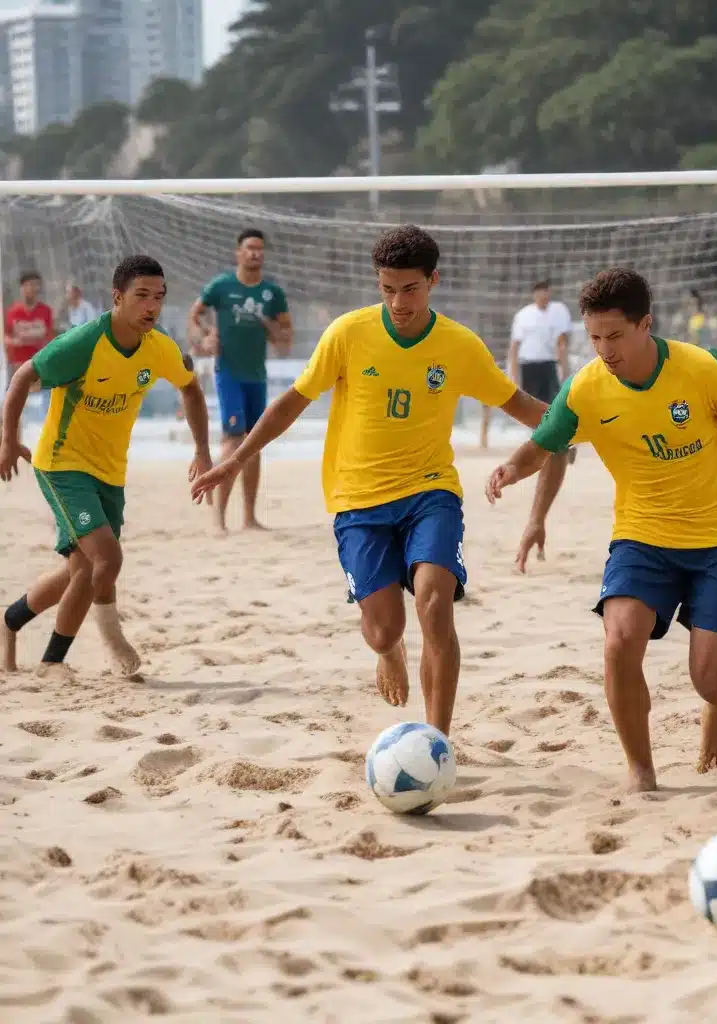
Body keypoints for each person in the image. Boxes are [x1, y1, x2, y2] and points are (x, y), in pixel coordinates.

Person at [190, 225, 548, 738]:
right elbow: (293, 400)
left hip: (430, 491)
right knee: (384, 631)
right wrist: (236, 459)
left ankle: (437, 740)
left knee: (434, 602)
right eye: (387, 289)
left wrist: (584, 424)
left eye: (410, 289)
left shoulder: (457, 344)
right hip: (357, 497)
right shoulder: (348, 334)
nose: (398, 302)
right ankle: (390, 653)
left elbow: (520, 405)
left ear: (433, 281)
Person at [485, 268, 717, 791]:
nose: (604, 349)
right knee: (618, 641)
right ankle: (641, 772)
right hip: (642, 536)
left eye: (615, 335)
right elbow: (546, 441)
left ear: (645, 324)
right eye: (595, 337)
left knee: (710, 678)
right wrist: (512, 473)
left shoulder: (702, 368)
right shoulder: (587, 387)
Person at [0, 255, 211, 677]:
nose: (152, 306)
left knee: (80, 568)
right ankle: (55, 661)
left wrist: (202, 450)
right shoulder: (84, 343)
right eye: (142, 296)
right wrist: (8, 439)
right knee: (106, 560)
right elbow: (23, 375)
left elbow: (191, 389)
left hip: (109, 471)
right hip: (61, 464)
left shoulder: (159, 348)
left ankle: (10, 621)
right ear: (117, 298)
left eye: (159, 297)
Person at [190, 228, 293, 532]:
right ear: (238, 252)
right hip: (229, 373)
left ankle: (249, 518)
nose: (255, 253)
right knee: (234, 441)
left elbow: (286, 340)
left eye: (260, 249)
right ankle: (219, 518)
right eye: (249, 248)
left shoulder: (272, 294)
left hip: (257, 377)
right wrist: (206, 335)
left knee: (255, 442)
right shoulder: (222, 286)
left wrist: (271, 328)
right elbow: (194, 316)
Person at [501, 280, 576, 568]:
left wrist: (564, 368)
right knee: (541, 421)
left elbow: (561, 344)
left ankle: (560, 445)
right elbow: (515, 346)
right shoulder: (523, 315)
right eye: (538, 291)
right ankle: (554, 447)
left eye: (546, 290)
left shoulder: (558, 311)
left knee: (554, 417)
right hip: (529, 366)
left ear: (550, 293)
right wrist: (513, 373)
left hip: (547, 366)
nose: (543, 295)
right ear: (534, 294)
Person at [4, 271, 55, 393]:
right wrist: (15, 342)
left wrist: (35, 338)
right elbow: (6, 337)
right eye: (29, 285)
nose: (33, 289)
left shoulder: (45, 311)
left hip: (38, 366)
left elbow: (49, 337)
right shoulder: (13, 312)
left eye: (36, 285)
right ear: (22, 288)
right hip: (18, 367)